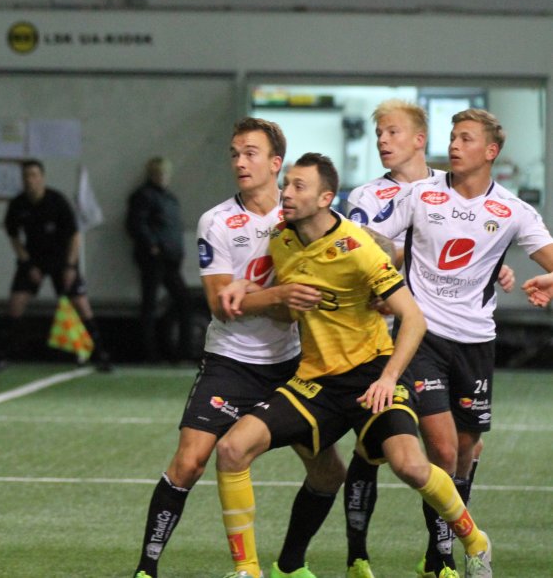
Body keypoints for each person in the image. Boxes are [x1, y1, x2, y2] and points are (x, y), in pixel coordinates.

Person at [214, 152, 494, 578]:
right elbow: (272, 284)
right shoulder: (282, 238)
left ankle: (475, 540)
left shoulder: (358, 248)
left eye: (299, 186)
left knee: (410, 465)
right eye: (286, 184)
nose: (286, 193)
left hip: (371, 376)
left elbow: (414, 318)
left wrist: (388, 378)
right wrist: (245, 285)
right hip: (316, 382)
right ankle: (247, 571)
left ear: (325, 198)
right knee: (232, 449)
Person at [132, 118, 345, 578]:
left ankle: (290, 564)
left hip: (292, 366)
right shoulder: (217, 221)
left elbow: (320, 287)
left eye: (251, 153)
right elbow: (220, 304)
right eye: (234, 154)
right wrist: (279, 296)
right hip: (230, 363)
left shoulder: (302, 214)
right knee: (189, 463)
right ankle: (146, 569)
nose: (240, 162)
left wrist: (255, 294)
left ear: (276, 163)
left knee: (330, 472)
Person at [367, 109, 552, 578]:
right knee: (444, 451)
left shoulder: (511, 210)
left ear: (490, 151)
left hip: (476, 343)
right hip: (422, 336)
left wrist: (549, 277)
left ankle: (441, 552)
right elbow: (373, 241)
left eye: (465, 138)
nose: (453, 145)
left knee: (466, 451)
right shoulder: (419, 194)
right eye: (452, 137)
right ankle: (446, 556)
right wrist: (377, 280)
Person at [339, 101, 512, 578]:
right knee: (374, 446)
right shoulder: (369, 195)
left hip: (445, 336)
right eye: (379, 133)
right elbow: (366, 252)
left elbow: (468, 241)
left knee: (460, 450)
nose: (382, 140)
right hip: (379, 339)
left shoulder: (451, 185)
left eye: (392, 131)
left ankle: (440, 555)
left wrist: (491, 264)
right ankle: (358, 555)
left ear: (419, 139)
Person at [0, 159, 111, 371]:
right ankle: (1, 356)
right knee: (16, 303)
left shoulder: (57, 201)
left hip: (61, 259)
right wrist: (28, 264)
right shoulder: (18, 204)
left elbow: (75, 235)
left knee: (81, 304)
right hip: (34, 260)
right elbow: (14, 237)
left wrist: (70, 267)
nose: (30, 180)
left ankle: (101, 355)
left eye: (34, 175)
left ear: (42, 178)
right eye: (26, 176)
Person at [126, 156, 193, 362]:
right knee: (151, 304)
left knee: (182, 302)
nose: (162, 177)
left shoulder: (169, 198)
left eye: (164, 173)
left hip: (170, 259)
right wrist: (152, 246)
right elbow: (135, 224)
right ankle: (150, 353)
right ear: (151, 174)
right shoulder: (144, 196)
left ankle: (183, 352)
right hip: (154, 259)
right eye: (158, 173)